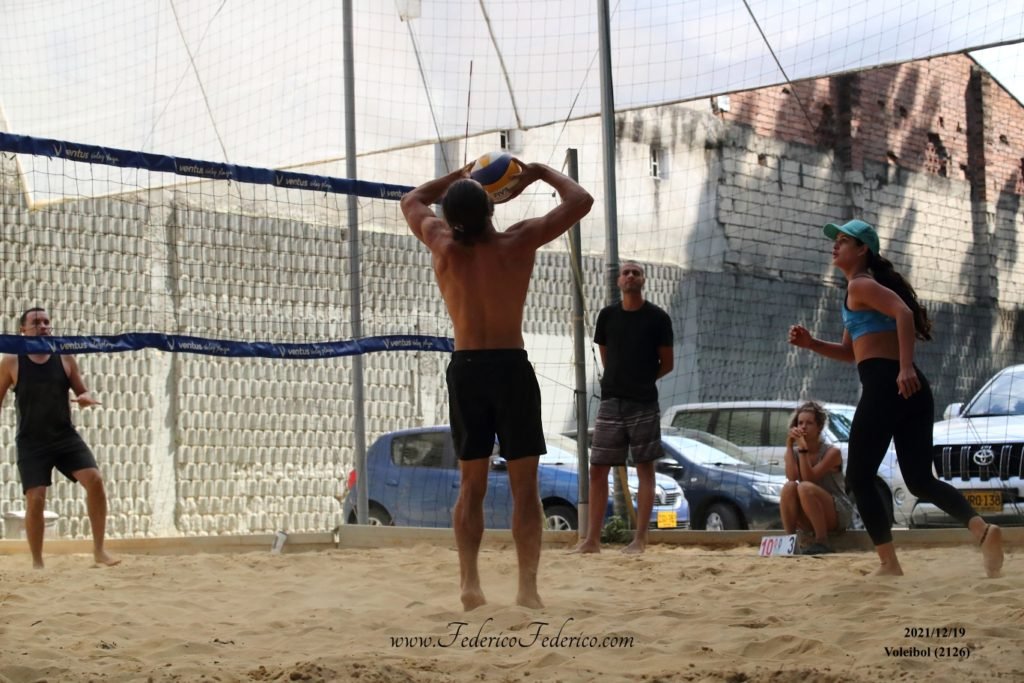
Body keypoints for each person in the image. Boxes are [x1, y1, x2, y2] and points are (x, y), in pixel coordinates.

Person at [400, 158, 593, 610]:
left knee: (472, 486)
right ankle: (527, 588)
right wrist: (540, 172)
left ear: (450, 217)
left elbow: (412, 199)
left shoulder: (442, 244)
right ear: (492, 209)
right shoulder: (519, 241)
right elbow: (581, 200)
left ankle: (470, 583)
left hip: (467, 368)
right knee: (525, 488)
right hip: (510, 367)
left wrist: (456, 177)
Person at [788, 219, 1003, 577]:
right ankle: (982, 530)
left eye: (844, 241)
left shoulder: (860, 284)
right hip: (911, 389)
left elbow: (903, 312)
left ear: (862, 250)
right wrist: (812, 344)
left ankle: (889, 564)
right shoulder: (858, 291)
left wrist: (903, 367)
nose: (835, 246)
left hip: (889, 385)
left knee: (859, 477)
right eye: (835, 240)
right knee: (919, 480)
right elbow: (850, 352)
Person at [0, 308, 119, 569]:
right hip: (31, 441)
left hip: (65, 436)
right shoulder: (11, 360)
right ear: (23, 330)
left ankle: (99, 550)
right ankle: (37, 562)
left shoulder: (64, 356)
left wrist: (85, 397)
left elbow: (81, 390)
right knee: (36, 498)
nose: (43, 326)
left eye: (46, 322)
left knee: (95, 481)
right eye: (36, 322)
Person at [572, 261, 674, 555]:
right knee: (597, 468)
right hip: (611, 401)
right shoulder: (607, 316)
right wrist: (621, 380)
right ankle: (592, 540)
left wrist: (642, 380)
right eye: (626, 272)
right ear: (618, 281)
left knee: (645, 468)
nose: (630, 276)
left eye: (636, 272)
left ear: (644, 279)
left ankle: (640, 540)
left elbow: (667, 363)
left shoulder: (658, 318)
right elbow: (607, 357)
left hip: (643, 402)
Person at [780, 401, 855, 555]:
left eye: (809, 423)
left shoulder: (832, 452)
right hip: (810, 510)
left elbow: (809, 479)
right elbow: (791, 477)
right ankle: (789, 541)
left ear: (819, 427)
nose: (803, 427)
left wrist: (803, 450)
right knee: (789, 487)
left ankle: (822, 541)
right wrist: (789, 446)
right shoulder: (795, 452)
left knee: (804, 487)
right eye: (800, 423)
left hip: (837, 511)